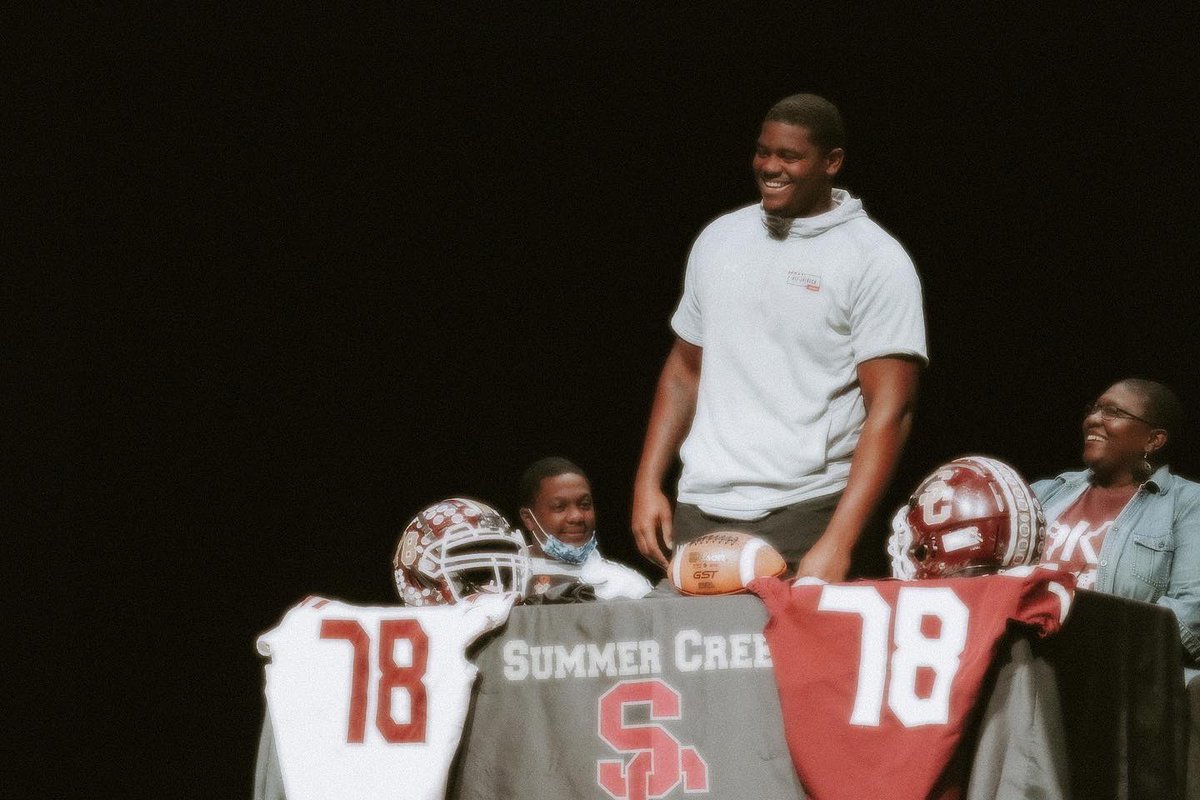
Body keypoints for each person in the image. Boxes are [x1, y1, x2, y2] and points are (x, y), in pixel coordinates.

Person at [631, 93, 927, 581]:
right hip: (701, 507)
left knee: (794, 658)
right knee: (697, 654)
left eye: (789, 156)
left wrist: (839, 540)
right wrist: (648, 482)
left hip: (806, 510)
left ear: (831, 162)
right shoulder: (719, 239)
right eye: (763, 152)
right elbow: (685, 370)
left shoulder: (874, 259)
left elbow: (892, 412)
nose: (770, 167)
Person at [1033, 378, 1200, 663]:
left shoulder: (1187, 504)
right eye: (1094, 409)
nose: (1093, 419)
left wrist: (1093, 646)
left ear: (1153, 439)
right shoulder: (1045, 492)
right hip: (1030, 664)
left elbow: (1188, 613)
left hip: (1120, 680)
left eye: (1113, 412)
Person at [518, 456, 652, 600]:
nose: (576, 517)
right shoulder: (504, 578)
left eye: (584, 504)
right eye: (560, 507)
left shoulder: (627, 584)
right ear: (529, 518)